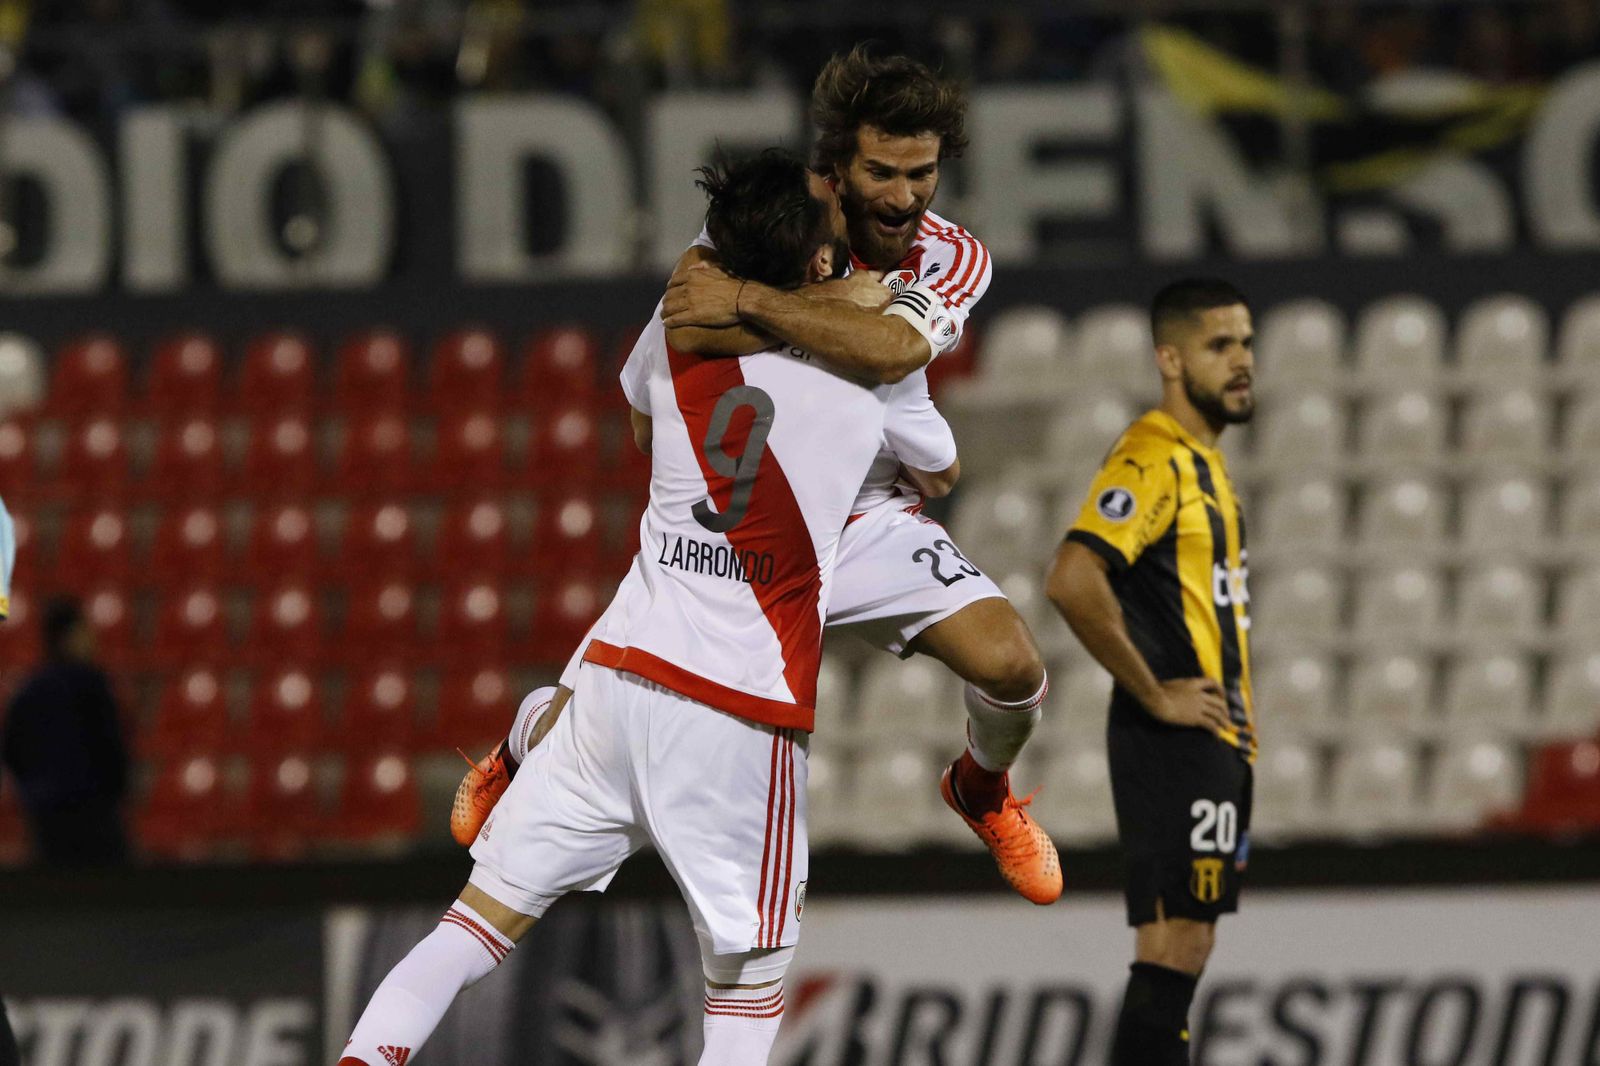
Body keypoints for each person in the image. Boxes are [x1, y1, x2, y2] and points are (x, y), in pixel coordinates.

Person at [465, 44, 1061, 904]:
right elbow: (663, 375)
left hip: (866, 514)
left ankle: (979, 789)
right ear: (836, 167)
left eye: (922, 173)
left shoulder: (953, 257)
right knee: (585, 726)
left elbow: (893, 344)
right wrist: (835, 316)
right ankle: (524, 738)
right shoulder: (761, 224)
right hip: (748, 509)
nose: (902, 196)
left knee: (1011, 666)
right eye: (881, 172)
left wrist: (750, 307)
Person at [339, 148, 889, 1066]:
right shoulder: (855, 386)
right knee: (744, 994)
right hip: (736, 708)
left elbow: (639, 415)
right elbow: (933, 450)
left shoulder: (675, 342)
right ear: (821, 264)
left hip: (620, 686)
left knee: (466, 933)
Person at [1044, 278, 1256, 1066]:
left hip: (1214, 736)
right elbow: (1072, 575)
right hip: (1177, 736)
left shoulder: (1205, 462)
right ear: (1170, 358)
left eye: (1246, 343)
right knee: (1171, 947)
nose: (1242, 362)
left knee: (1185, 947)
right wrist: (1155, 693)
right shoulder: (1154, 456)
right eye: (1219, 345)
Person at [0, 595, 132, 867]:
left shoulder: (28, 690)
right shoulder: (91, 685)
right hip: (94, 817)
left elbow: (11, 753)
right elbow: (112, 749)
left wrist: (34, 793)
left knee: (57, 900)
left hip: (46, 818)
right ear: (68, 636)